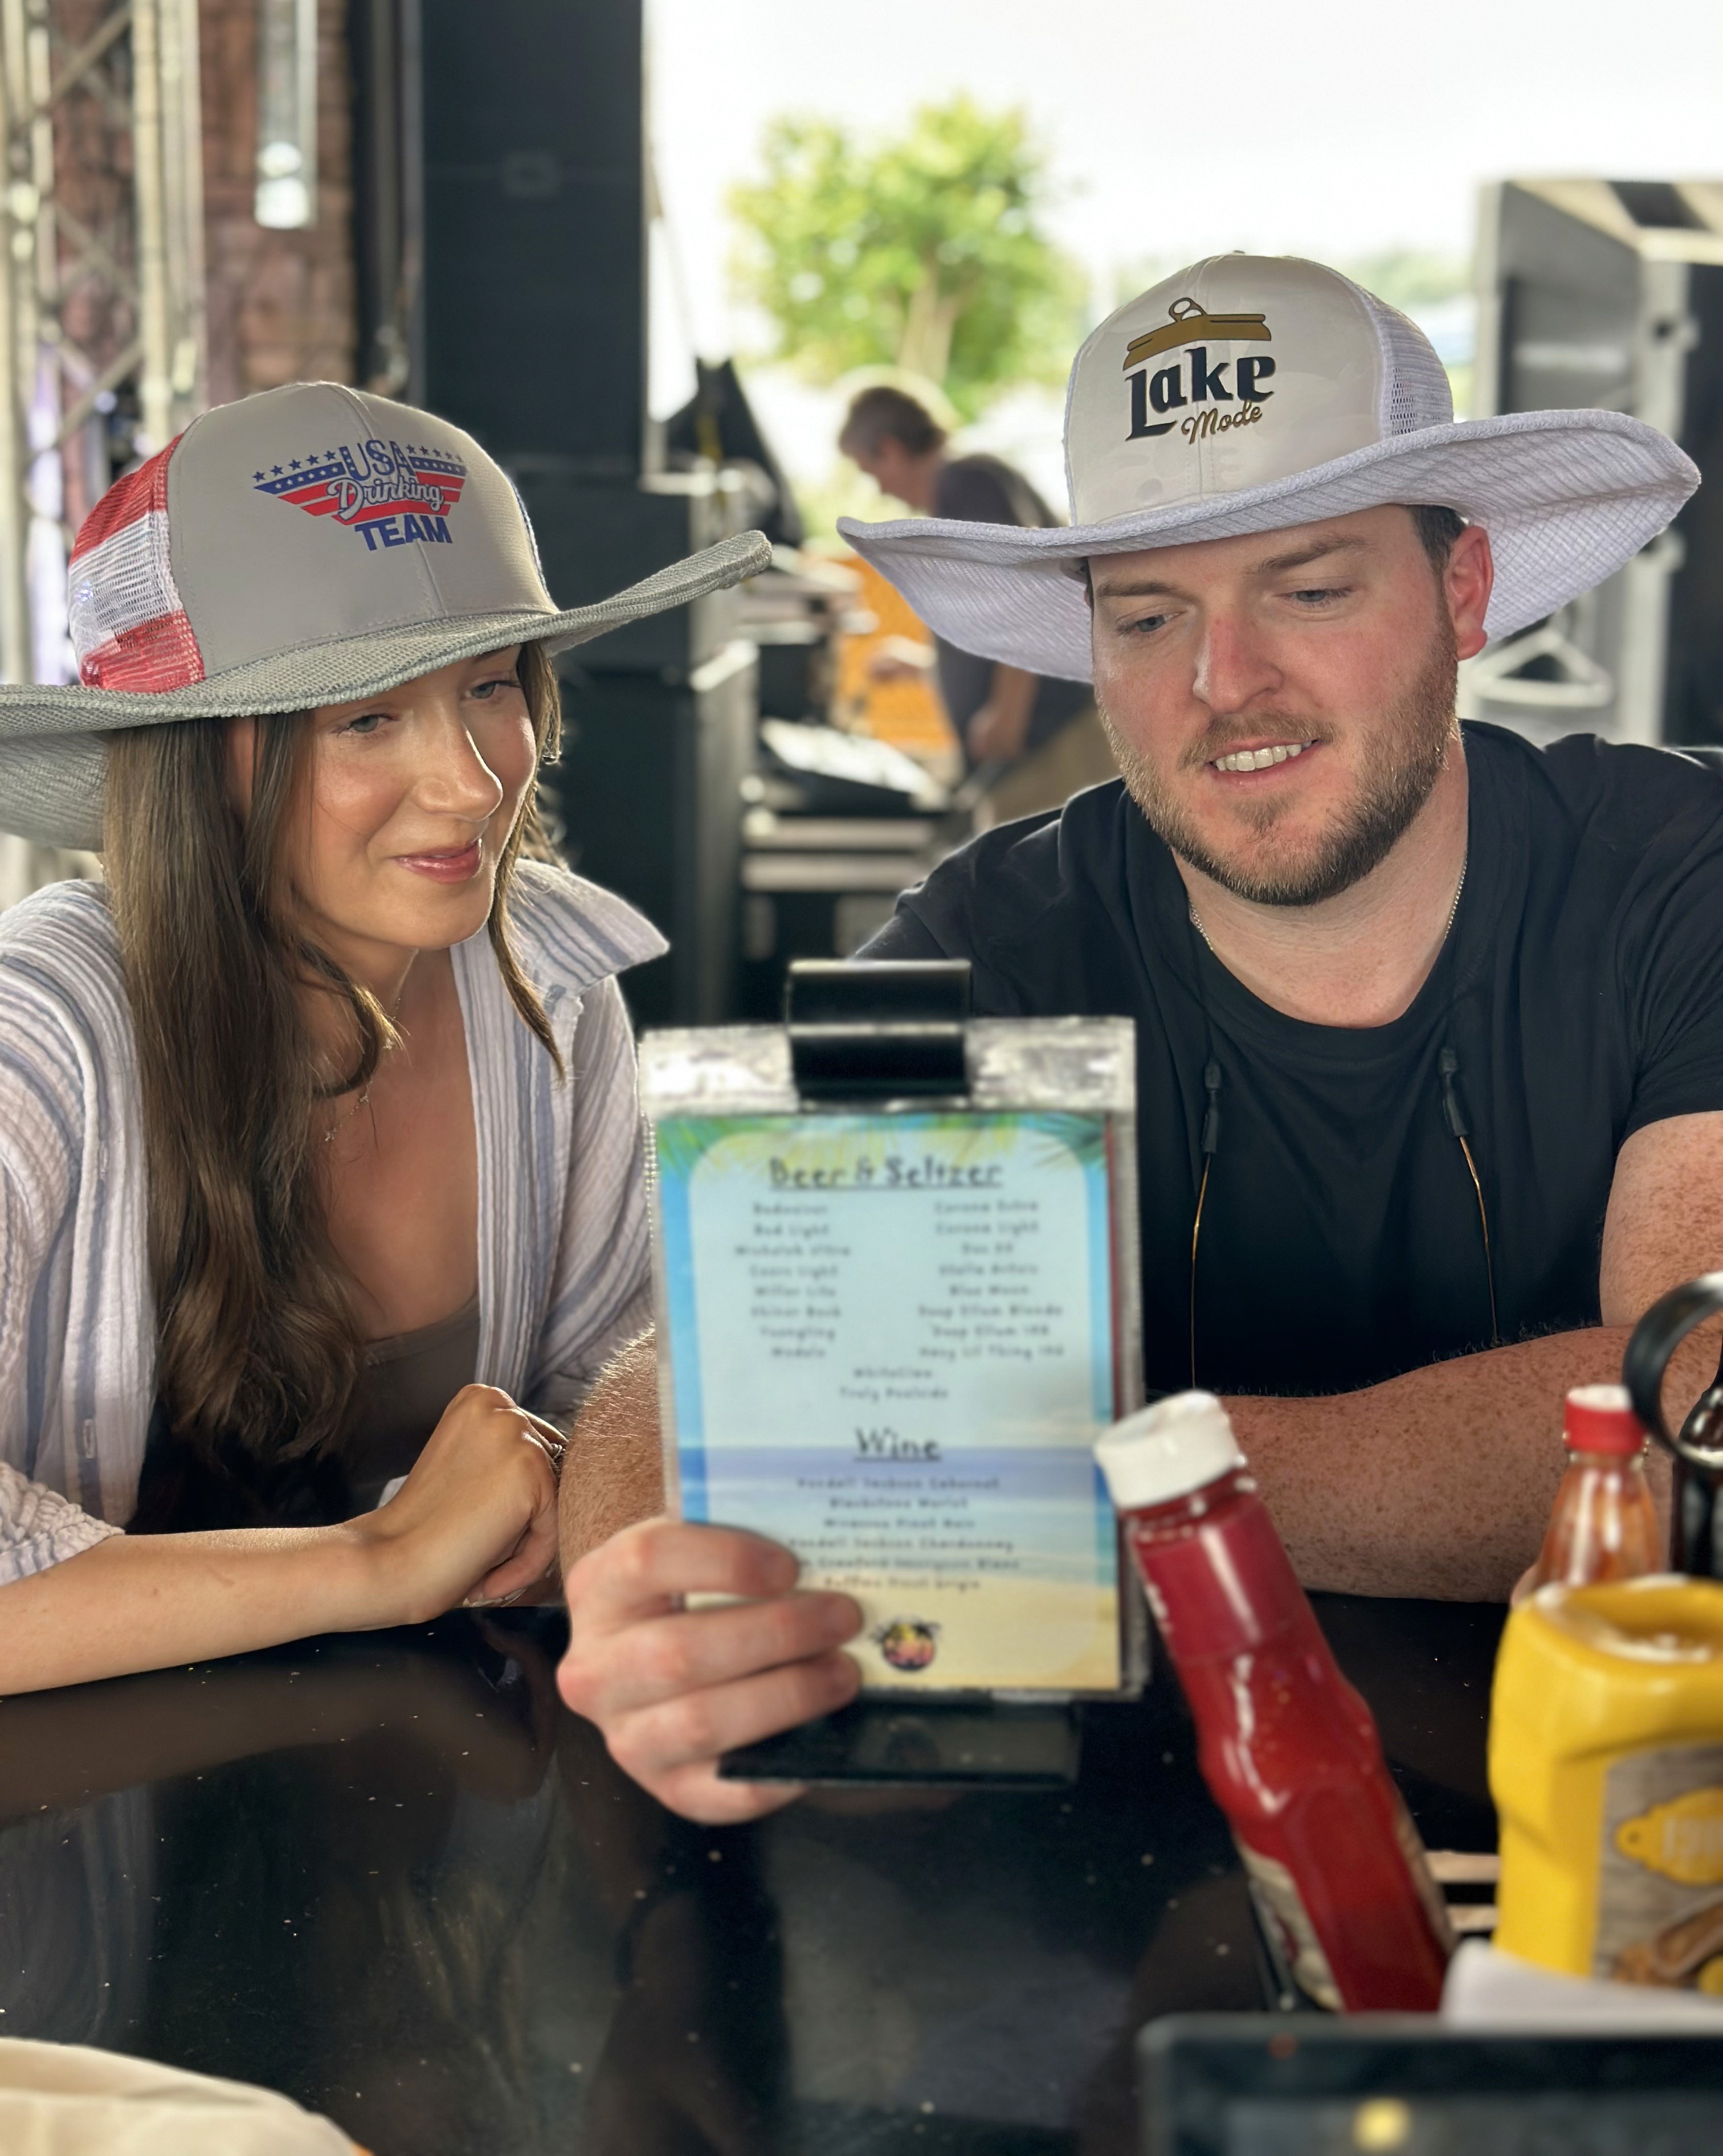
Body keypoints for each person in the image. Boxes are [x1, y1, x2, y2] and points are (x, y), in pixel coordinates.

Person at [554, 253, 1723, 1823]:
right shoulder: (994, 933)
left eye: (1309, 589)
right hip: (1093, 1864)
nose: (1221, 683)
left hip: (1615, 1828)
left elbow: (1691, 1418)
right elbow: (705, 1357)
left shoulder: (1674, 875)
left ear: (1463, 591)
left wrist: (1079, 1488)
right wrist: (652, 1613)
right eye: (1148, 613)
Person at [0, 381, 766, 1693]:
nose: (475, 781)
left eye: (492, 687)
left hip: (448, 1829)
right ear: (199, 760)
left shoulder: (555, 983)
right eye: (368, 718)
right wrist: (373, 1562)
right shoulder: (45, 1026)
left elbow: (620, 1400)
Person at [838, 385, 1114, 821]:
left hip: (1051, 738)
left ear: (889, 450)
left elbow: (1026, 592)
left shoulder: (964, 481)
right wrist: (922, 665)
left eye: (870, 471)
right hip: (1041, 741)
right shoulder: (972, 484)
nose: (880, 489)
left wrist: (1008, 712)